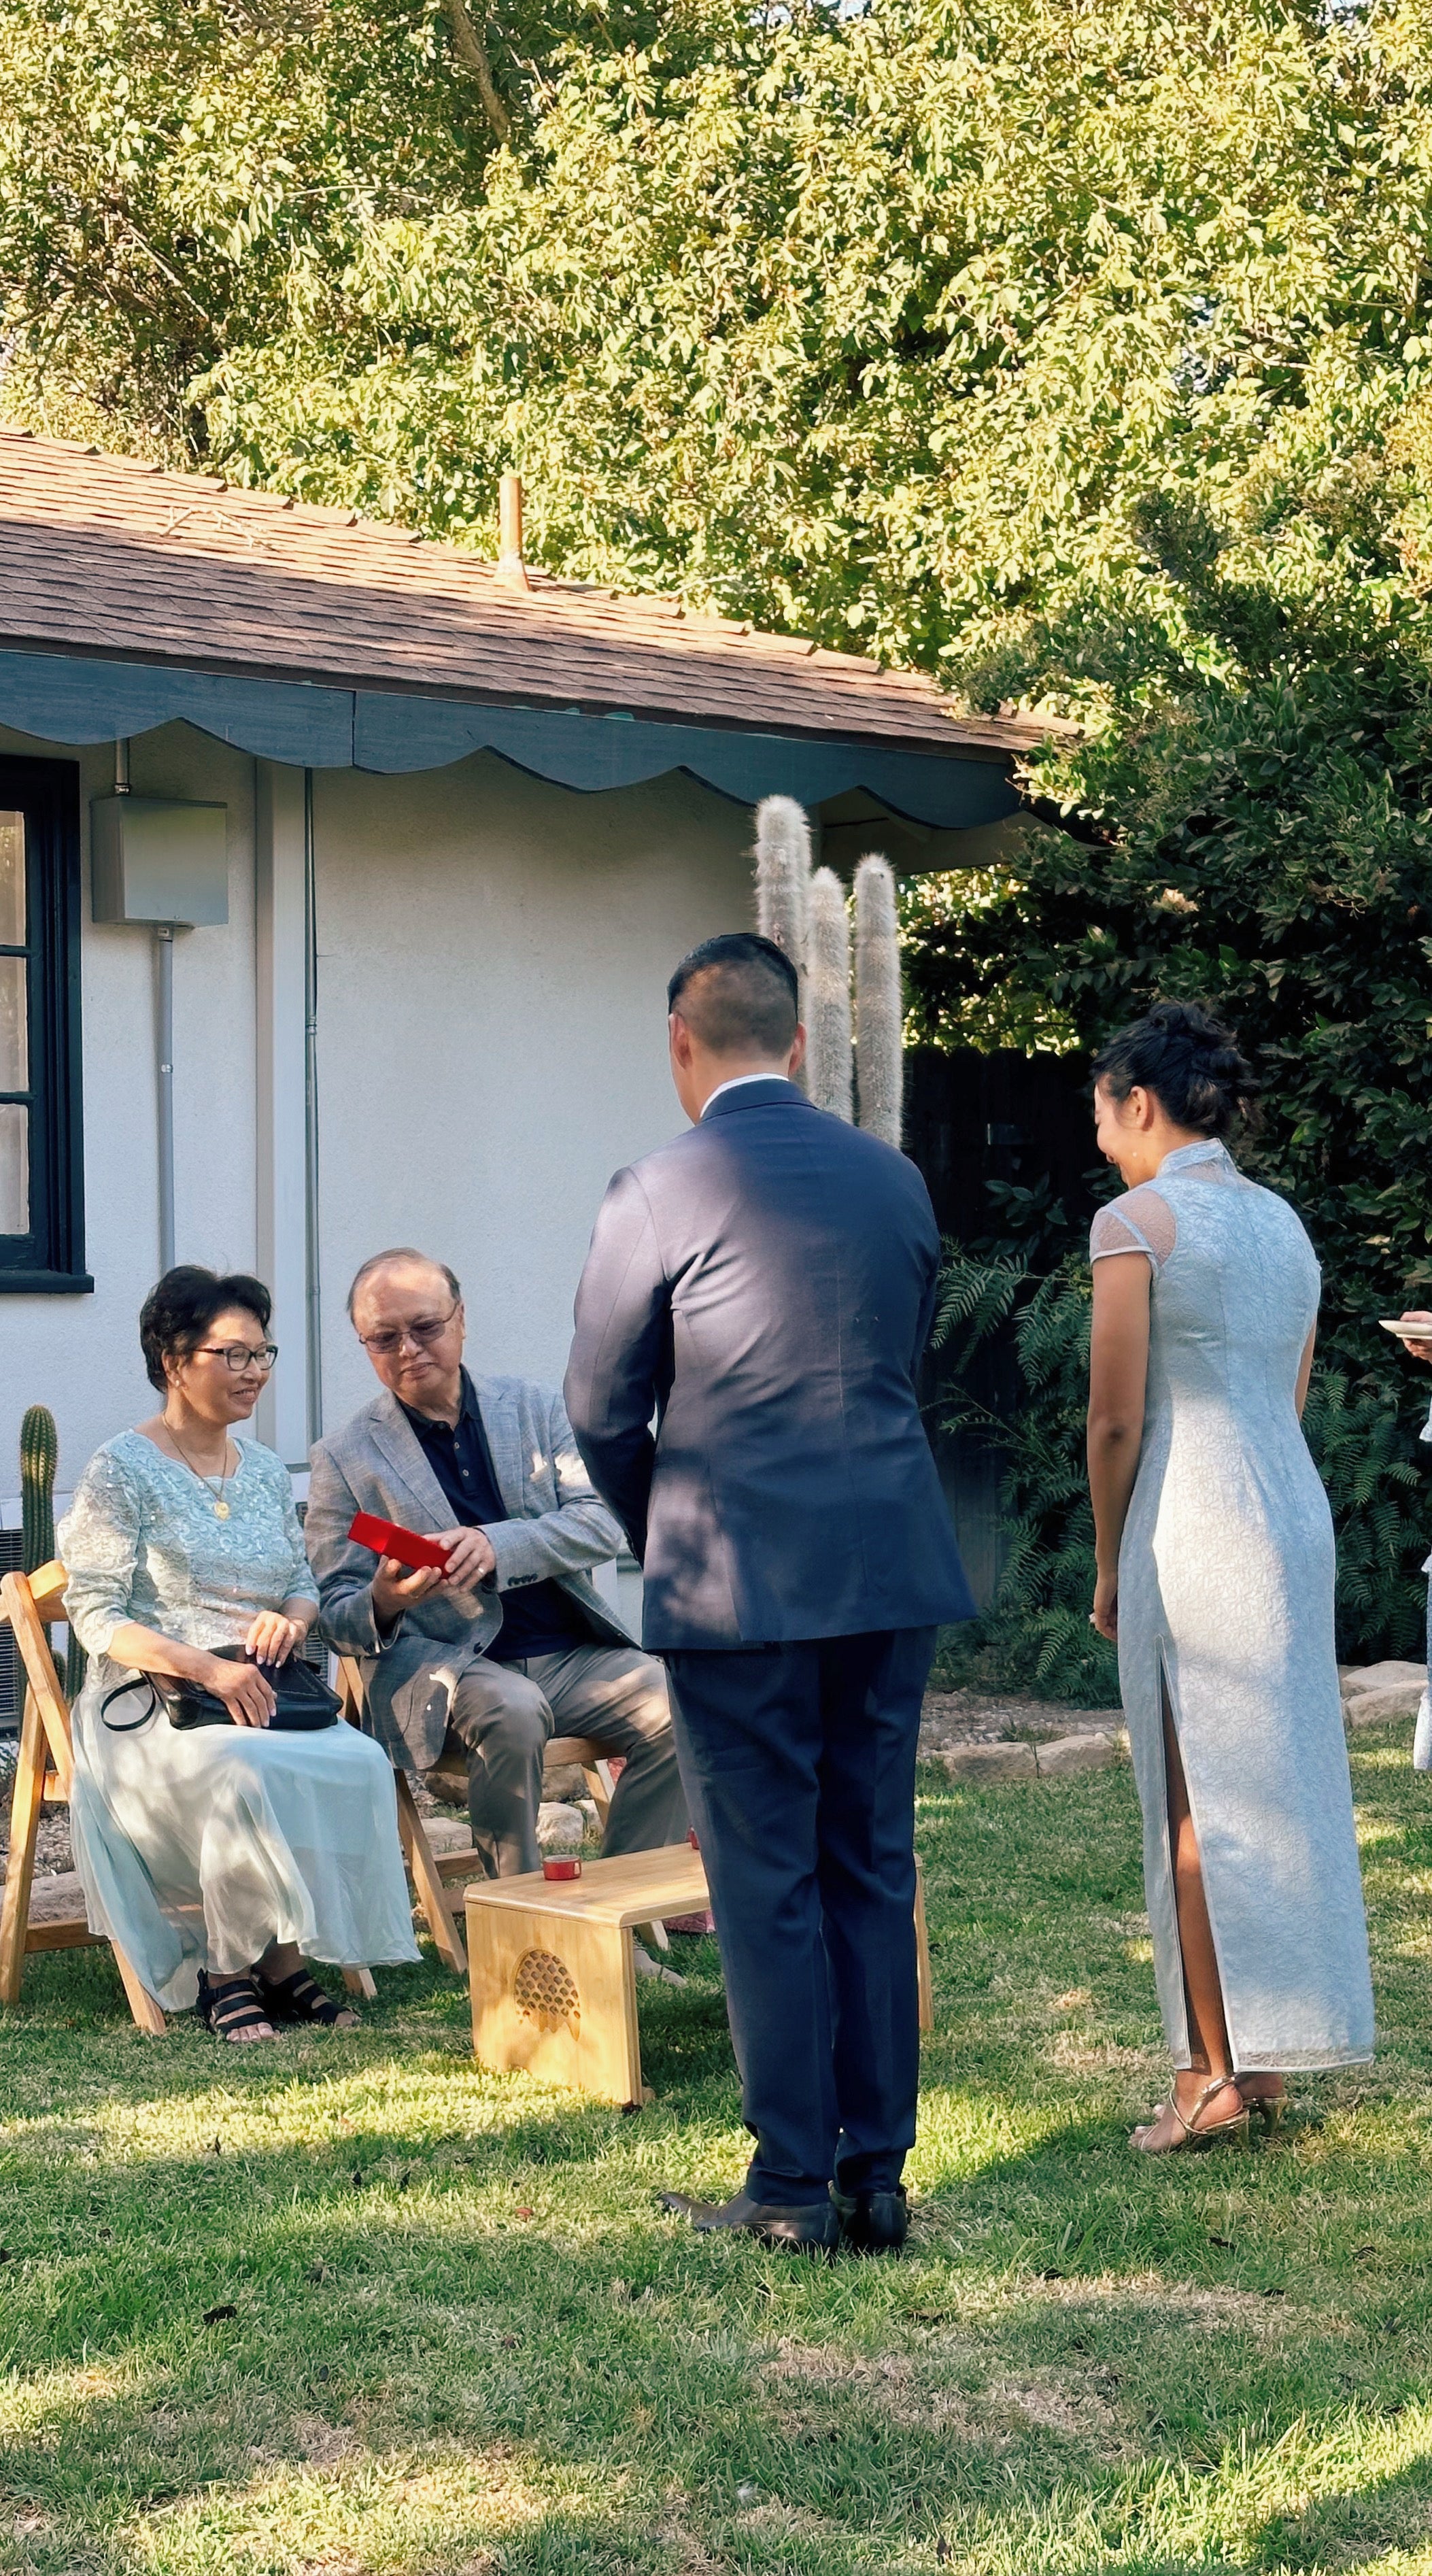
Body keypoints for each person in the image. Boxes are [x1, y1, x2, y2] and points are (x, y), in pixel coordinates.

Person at [565, 930, 974, 2256]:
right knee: (870, 1856)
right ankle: (880, 2178)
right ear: (798, 1042)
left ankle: (793, 2186)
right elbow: (900, 1365)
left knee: (766, 1876)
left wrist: (656, 1524)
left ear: (682, 1048)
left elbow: (602, 1403)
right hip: (888, 1559)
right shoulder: (893, 1180)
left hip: (733, 1571)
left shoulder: (656, 1187)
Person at [1086, 1001, 1374, 2150]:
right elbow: (1288, 1392)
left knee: (1195, 1794)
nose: (1098, 1133)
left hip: (1190, 1511)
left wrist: (1110, 1558)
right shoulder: (1285, 1226)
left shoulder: (1133, 1221)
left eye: (1101, 1110)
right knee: (1280, 1783)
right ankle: (1262, 2058)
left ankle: (1208, 2072)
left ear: (1140, 1104)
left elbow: (1113, 1421)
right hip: (1286, 1504)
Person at [58, 1266, 420, 2042]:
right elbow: (95, 1612)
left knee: (358, 1761)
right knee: (240, 1768)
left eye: (263, 1354)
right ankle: (228, 1968)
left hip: (262, 1686)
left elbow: (299, 1577)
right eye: (234, 1354)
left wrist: (291, 1620)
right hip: (154, 1700)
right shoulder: (119, 1468)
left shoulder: (260, 1468)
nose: (254, 1371)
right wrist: (205, 1665)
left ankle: (285, 1963)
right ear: (172, 1360)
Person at [303, 1251, 687, 1888]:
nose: (408, 1348)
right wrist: (383, 1599)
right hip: (449, 1669)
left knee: (679, 1703)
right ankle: (522, 1922)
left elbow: (603, 1519)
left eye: (424, 1327)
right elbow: (338, 1613)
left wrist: (498, 1544)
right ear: (364, 1345)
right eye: (384, 1338)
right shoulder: (343, 1457)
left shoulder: (537, 1408)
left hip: (572, 1658)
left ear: (461, 1319)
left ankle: (615, 1910)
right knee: (513, 1707)